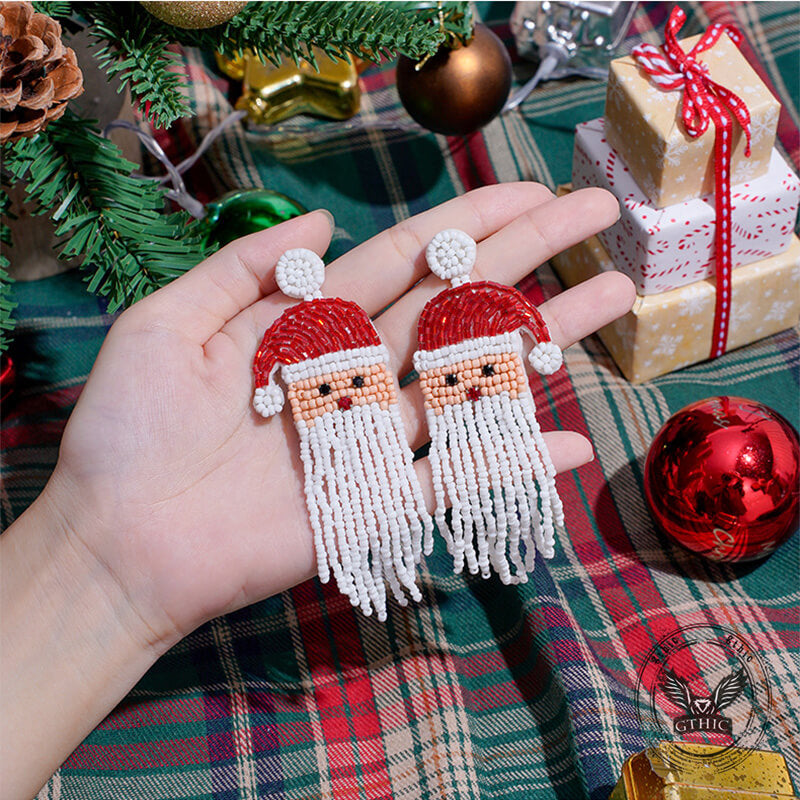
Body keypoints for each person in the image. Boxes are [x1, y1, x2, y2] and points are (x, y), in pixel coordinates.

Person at [0, 183, 633, 799]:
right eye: (330, 389)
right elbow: (270, 362)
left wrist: (96, 567)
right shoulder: (313, 354)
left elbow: (518, 323)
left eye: (354, 385)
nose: (349, 399)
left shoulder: (420, 333)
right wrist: (97, 553)